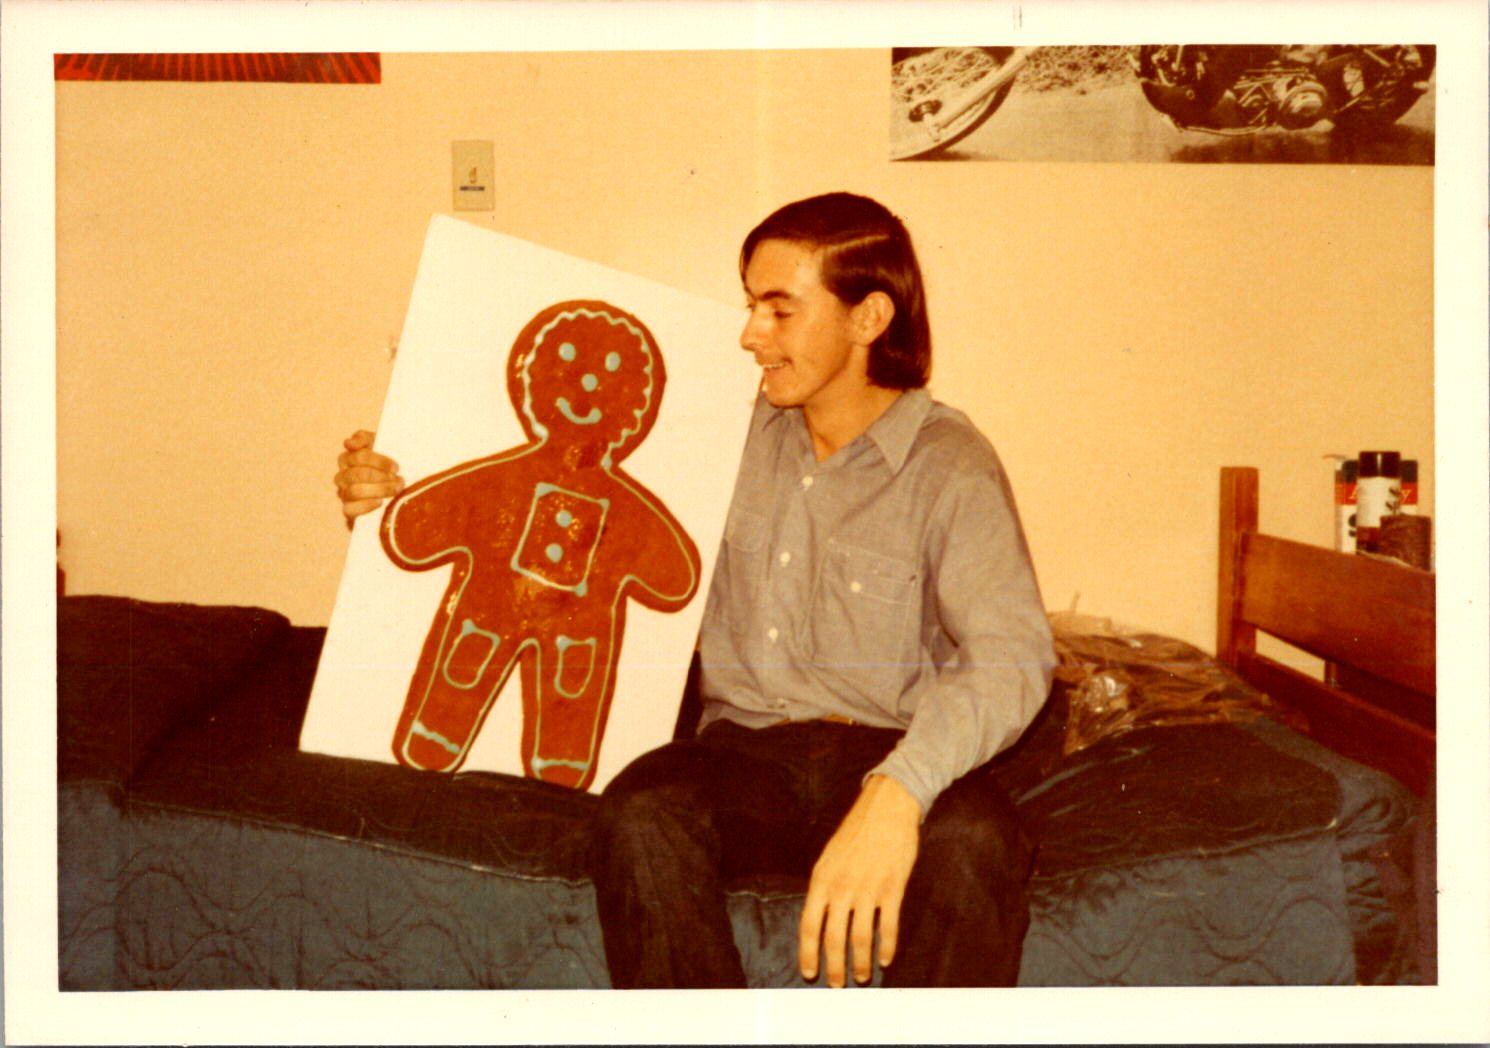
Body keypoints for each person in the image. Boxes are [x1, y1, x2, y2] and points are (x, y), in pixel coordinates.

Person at [335, 192, 1055, 989]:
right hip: (740, 755)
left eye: (779, 310)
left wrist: (899, 791)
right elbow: (544, 490)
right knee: (643, 815)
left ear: (869, 317)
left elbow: (1012, 655)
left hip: (890, 745)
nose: (750, 335)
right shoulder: (714, 435)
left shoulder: (951, 462)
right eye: (751, 306)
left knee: (979, 843)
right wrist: (391, 484)